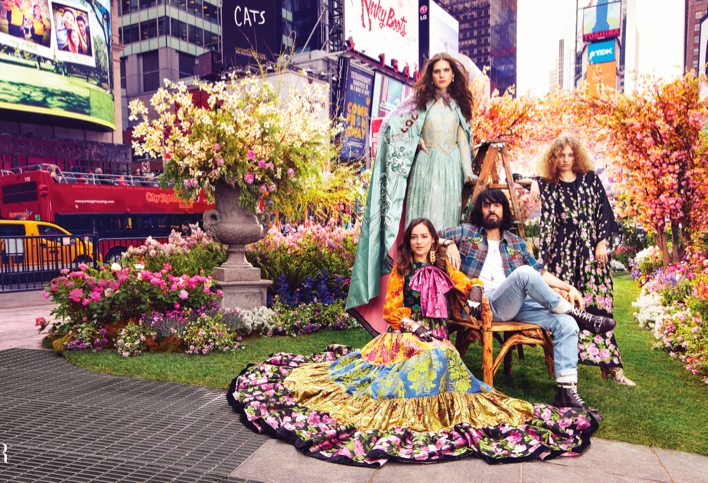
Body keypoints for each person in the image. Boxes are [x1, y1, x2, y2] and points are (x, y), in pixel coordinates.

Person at [228, 218, 598, 466]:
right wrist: (412, 326)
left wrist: (475, 289)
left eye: (425, 236)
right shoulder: (402, 270)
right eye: (415, 237)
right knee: (428, 358)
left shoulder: (443, 268)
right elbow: (391, 312)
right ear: (410, 242)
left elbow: (466, 283)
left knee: (446, 359)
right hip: (404, 334)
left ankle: (439, 408)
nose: (420, 242)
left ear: (434, 240)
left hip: (435, 335)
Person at [440, 189, 618, 413]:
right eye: (487, 206)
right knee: (524, 273)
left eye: (497, 205)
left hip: (515, 304)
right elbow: (429, 234)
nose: (492, 210)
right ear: (480, 210)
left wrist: (568, 286)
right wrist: (449, 242)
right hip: (484, 305)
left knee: (566, 324)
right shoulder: (467, 232)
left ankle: (566, 391)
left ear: (504, 210)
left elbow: (539, 273)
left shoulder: (516, 242)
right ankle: (577, 313)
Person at [347, 52, 478, 335]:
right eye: (436, 71)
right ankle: (410, 301)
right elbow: (392, 126)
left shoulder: (458, 107)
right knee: (423, 222)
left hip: (451, 170)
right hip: (425, 167)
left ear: (453, 75)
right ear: (430, 76)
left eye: (446, 70)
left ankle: (440, 297)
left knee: (443, 224)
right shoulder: (418, 104)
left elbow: (463, 141)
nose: (441, 75)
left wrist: (468, 171)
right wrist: (413, 140)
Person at [527, 135, 636, 387]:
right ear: (554, 158)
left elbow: (605, 212)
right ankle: (567, 366)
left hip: (590, 254)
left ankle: (613, 367)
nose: (565, 160)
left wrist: (602, 242)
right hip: (562, 255)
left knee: (599, 307)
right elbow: (517, 179)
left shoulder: (590, 180)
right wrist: (534, 181)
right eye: (561, 155)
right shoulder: (549, 184)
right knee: (568, 308)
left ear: (576, 156)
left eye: (570, 155)